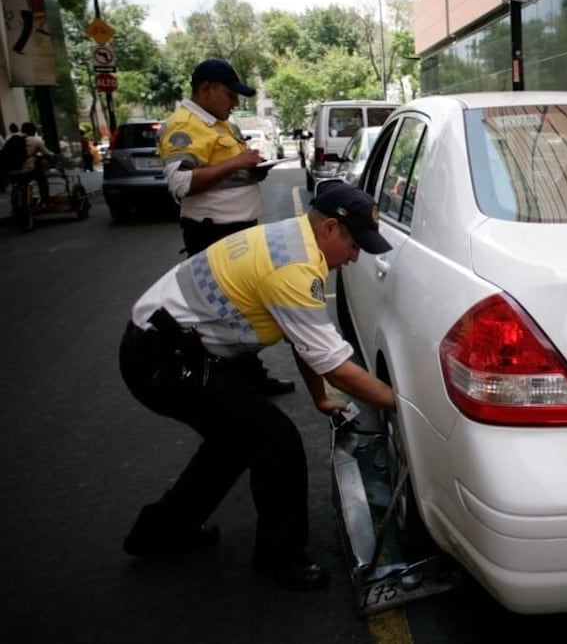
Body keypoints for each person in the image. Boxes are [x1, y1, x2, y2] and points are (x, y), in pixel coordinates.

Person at [119, 182, 396, 591]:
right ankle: (279, 558)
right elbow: (336, 366)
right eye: (355, 245)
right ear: (331, 230)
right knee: (275, 441)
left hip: (171, 348)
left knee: (233, 441)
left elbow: (303, 338)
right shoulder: (293, 269)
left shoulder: (294, 239)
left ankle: (159, 531)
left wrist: (319, 396)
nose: (354, 258)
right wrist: (403, 405)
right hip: (162, 360)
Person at [158, 57, 293, 396]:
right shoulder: (184, 126)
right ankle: (222, 386)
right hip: (214, 234)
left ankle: (247, 380)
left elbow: (226, 172)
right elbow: (181, 183)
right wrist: (238, 161)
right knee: (227, 315)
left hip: (238, 232)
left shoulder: (220, 124)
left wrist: (252, 170)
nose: (235, 102)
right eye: (230, 94)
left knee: (241, 312)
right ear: (206, 89)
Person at [18, 121, 53, 202]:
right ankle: (45, 201)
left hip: (14, 169)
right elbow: (47, 155)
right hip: (28, 169)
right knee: (42, 180)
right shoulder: (36, 140)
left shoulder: (15, 139)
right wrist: (53, 164)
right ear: (33, 131)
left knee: (21, 183)